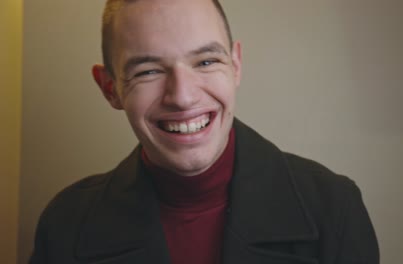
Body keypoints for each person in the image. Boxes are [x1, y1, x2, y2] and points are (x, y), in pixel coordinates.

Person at [30, 0, 379, 263]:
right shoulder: (66, 223)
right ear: (110, 89)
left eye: (207, 62)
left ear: (236, 65)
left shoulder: (334, 207)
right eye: (149, 71)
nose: (183, 97)